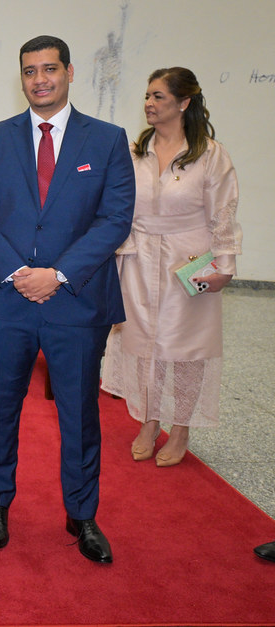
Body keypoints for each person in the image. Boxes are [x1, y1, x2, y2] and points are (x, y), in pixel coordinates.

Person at [0, 36, 135, 564]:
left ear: (69, 72)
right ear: (20, 77)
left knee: (80, 415)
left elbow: (115, 219)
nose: (39, 79)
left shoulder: (107, 140)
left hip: (77, 303)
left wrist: (57, 275)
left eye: (49, 69)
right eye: (29, 71)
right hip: (5, 299)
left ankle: (82, 515)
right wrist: (19, 272)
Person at [101, 67, 241, 467]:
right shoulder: (134, 152)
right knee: (143, 345)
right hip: (138, 259)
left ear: (184, 103)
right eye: (147, 95)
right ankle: (149, 422)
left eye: (158, 96)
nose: (149, 103)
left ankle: (180, 429)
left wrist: (224, 265)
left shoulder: (210, 155)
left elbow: (224, 213)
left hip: (189, 263)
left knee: (185, 350)